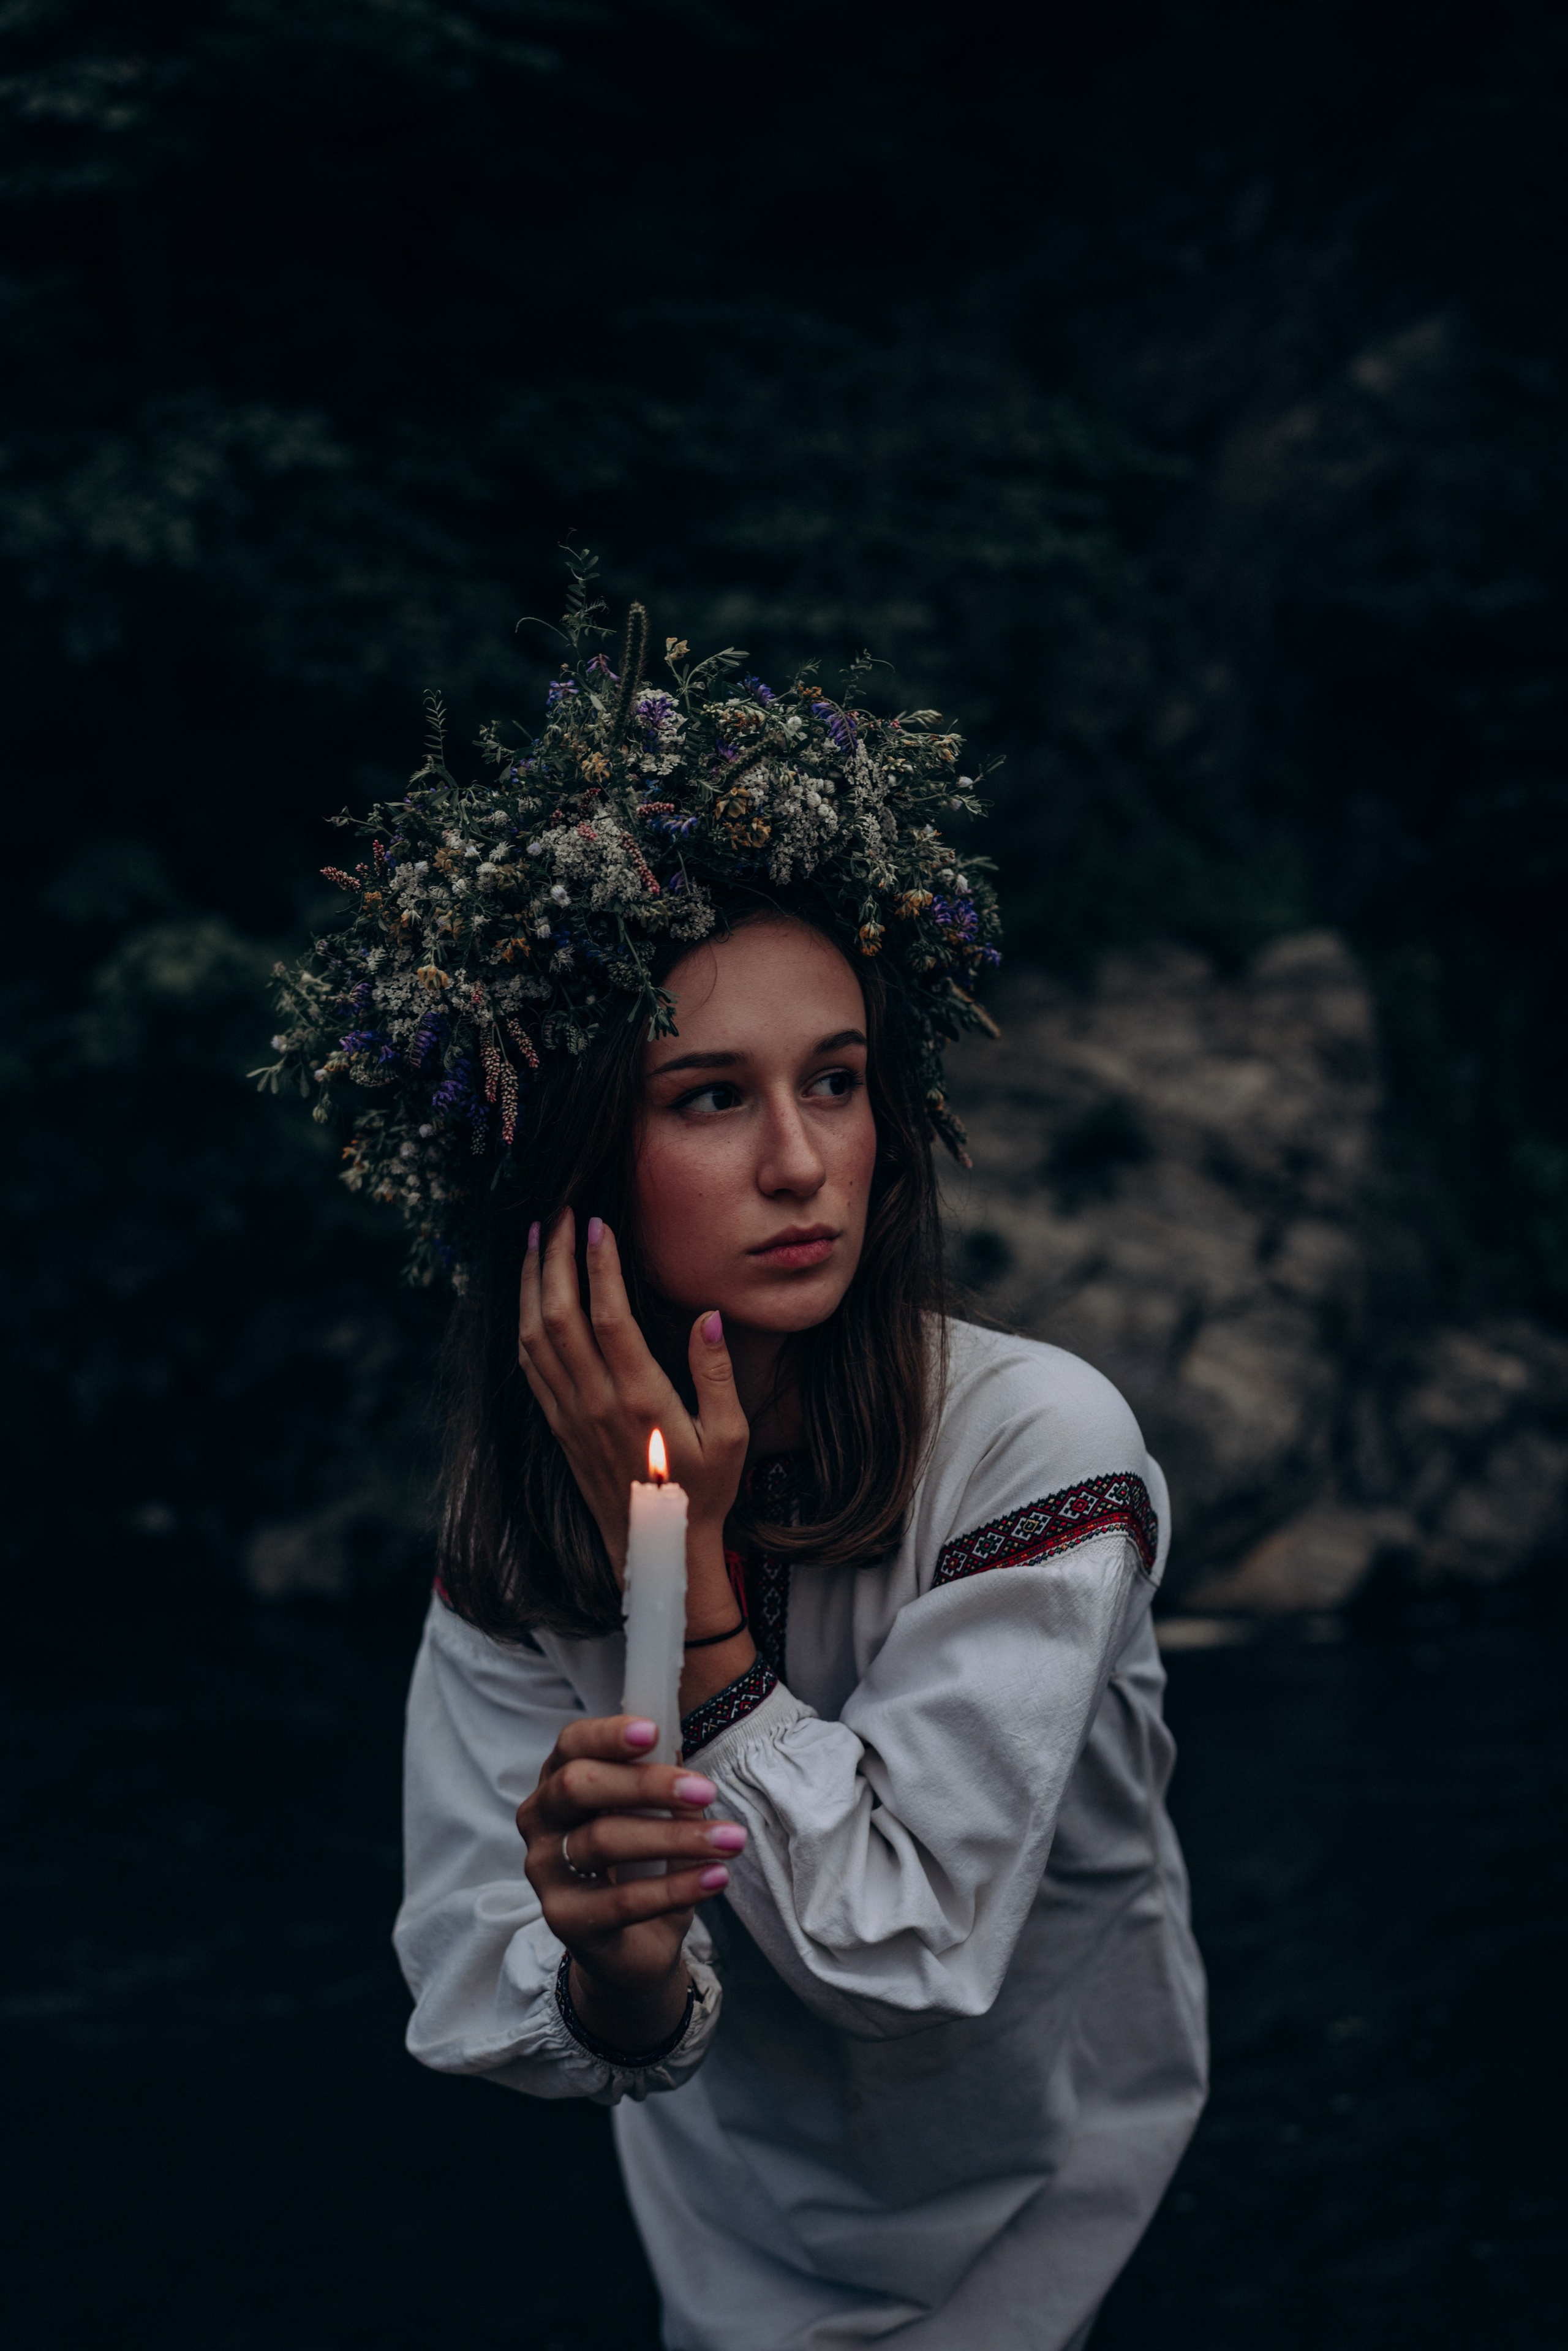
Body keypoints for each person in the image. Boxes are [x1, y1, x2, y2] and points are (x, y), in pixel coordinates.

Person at [267, 579, 1207, 2347]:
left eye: (838, 1082)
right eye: (711, 1097)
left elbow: (914, 1963)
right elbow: (488, 1980)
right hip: (736, 2224)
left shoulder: (1033, 1445)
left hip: (1051, 2179)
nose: (803, 1161)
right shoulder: (515, 1501)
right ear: (571, 1158)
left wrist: (690, 1581)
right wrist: (619, 1968)